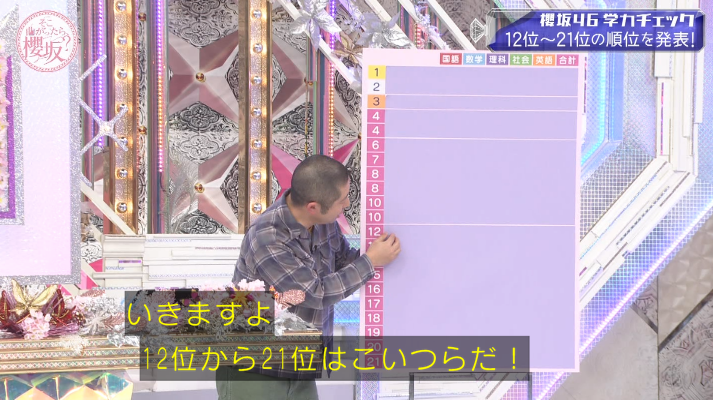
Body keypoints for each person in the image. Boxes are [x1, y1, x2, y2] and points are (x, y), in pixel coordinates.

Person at [216, 154, 401, 400]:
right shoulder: (268, 238)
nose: (347, 204)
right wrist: (370, 262)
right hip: (254, 366)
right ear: (313, 206)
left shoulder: (324, 221)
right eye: (342, 200)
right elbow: (314, 293)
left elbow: (342, 260)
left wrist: (380, 254)